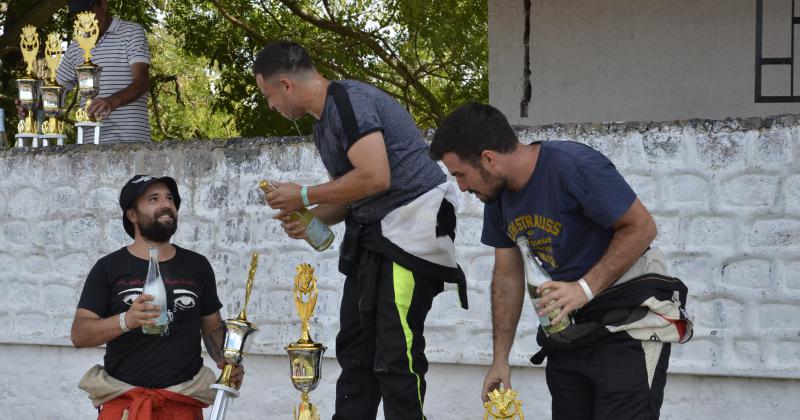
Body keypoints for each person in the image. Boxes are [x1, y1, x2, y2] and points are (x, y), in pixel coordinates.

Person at [430, 103, 691, 419]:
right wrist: (501, 359)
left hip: (628, 324)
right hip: (568, 333)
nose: (461, 186)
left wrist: (584, 288)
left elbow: (642, 227)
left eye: (460, 174)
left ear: (488, 158)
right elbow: (507, 276)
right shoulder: (498, 199)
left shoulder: (573, 166)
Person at [254, 40, 468, 420]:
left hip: (410, 235)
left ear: (285, 85)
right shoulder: (324, 125)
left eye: (269, 95)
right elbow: (353, 192)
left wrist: (303, 194)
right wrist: (312, 219)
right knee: (355, 351)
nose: (271, 106)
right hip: (374, 240)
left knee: (395, 353)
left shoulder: (348, 100)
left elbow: (376, 176)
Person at [71, 175, 243, 419]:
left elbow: (212, 328)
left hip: (183, 403)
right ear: (132, 215)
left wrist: (227, 362)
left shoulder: (197, 266)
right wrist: (125, 320)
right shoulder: (108, 268)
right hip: (125, 405)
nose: (166, 204)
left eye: (170, 198)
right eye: (153, 199)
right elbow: (79, 333)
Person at [18, 0, 151, 143]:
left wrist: (112, 102)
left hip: (131, 143)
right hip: (88, 146)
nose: (84, 19)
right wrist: (32, 104)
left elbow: (142, 81)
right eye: (77, 14)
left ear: (103, 5)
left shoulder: (131, 32)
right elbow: (56, 94)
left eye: (88, 12)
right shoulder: (76, 47)